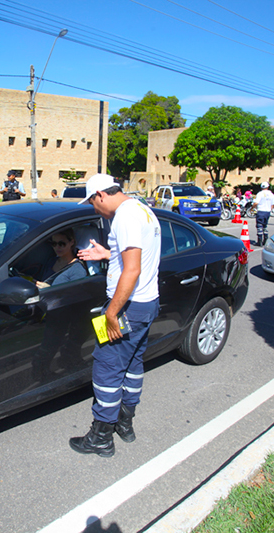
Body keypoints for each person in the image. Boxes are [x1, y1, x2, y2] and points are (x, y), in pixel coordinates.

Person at [70, 173, 161, 457]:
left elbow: (132, 270)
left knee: (106, 368)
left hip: (127, 307)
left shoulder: (125, 216)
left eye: (93, 203)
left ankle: (101, 436)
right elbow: (136, 259)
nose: (94, 209)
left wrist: (111, 312)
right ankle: (125, 424)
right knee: (132, 366)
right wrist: (108, 255)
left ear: (100, 194)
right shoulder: (142, 209)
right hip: (147, 304)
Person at [253, 182, 274, 247]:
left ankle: (259, 241)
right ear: (268, 187)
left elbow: (256, 203)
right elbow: (272, 204)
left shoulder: (260, 194)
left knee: (259, 226)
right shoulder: (271, 194)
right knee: (265, 226)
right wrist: (270, 210)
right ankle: (265, 240)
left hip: (261, 211)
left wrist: (252, 208)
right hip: (267, 212)